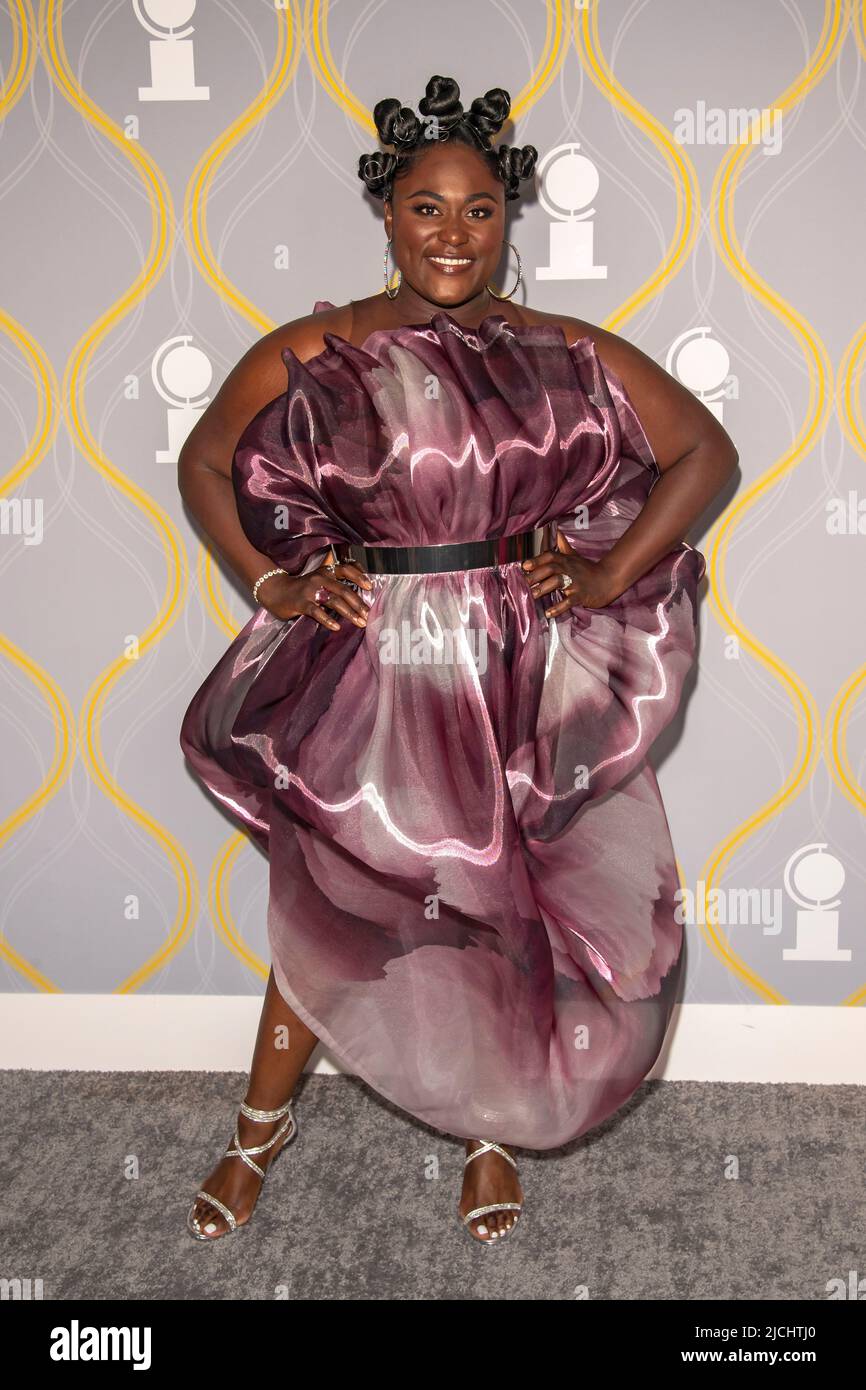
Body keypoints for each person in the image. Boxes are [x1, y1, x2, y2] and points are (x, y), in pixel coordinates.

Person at [177, 74, 738, 1246]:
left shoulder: (558, 349)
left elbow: (701, 453)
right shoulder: (320, 347)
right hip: (376, 670)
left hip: (508, 663)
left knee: (500, 904)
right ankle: (253, 1136)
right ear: (385, 213)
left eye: (478, 209)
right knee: (347, 901)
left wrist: (595, 576)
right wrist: (269, 578)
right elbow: (207, 460)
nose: (451, 232)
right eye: (426, 207)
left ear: (507, 221)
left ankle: (491, 1130)